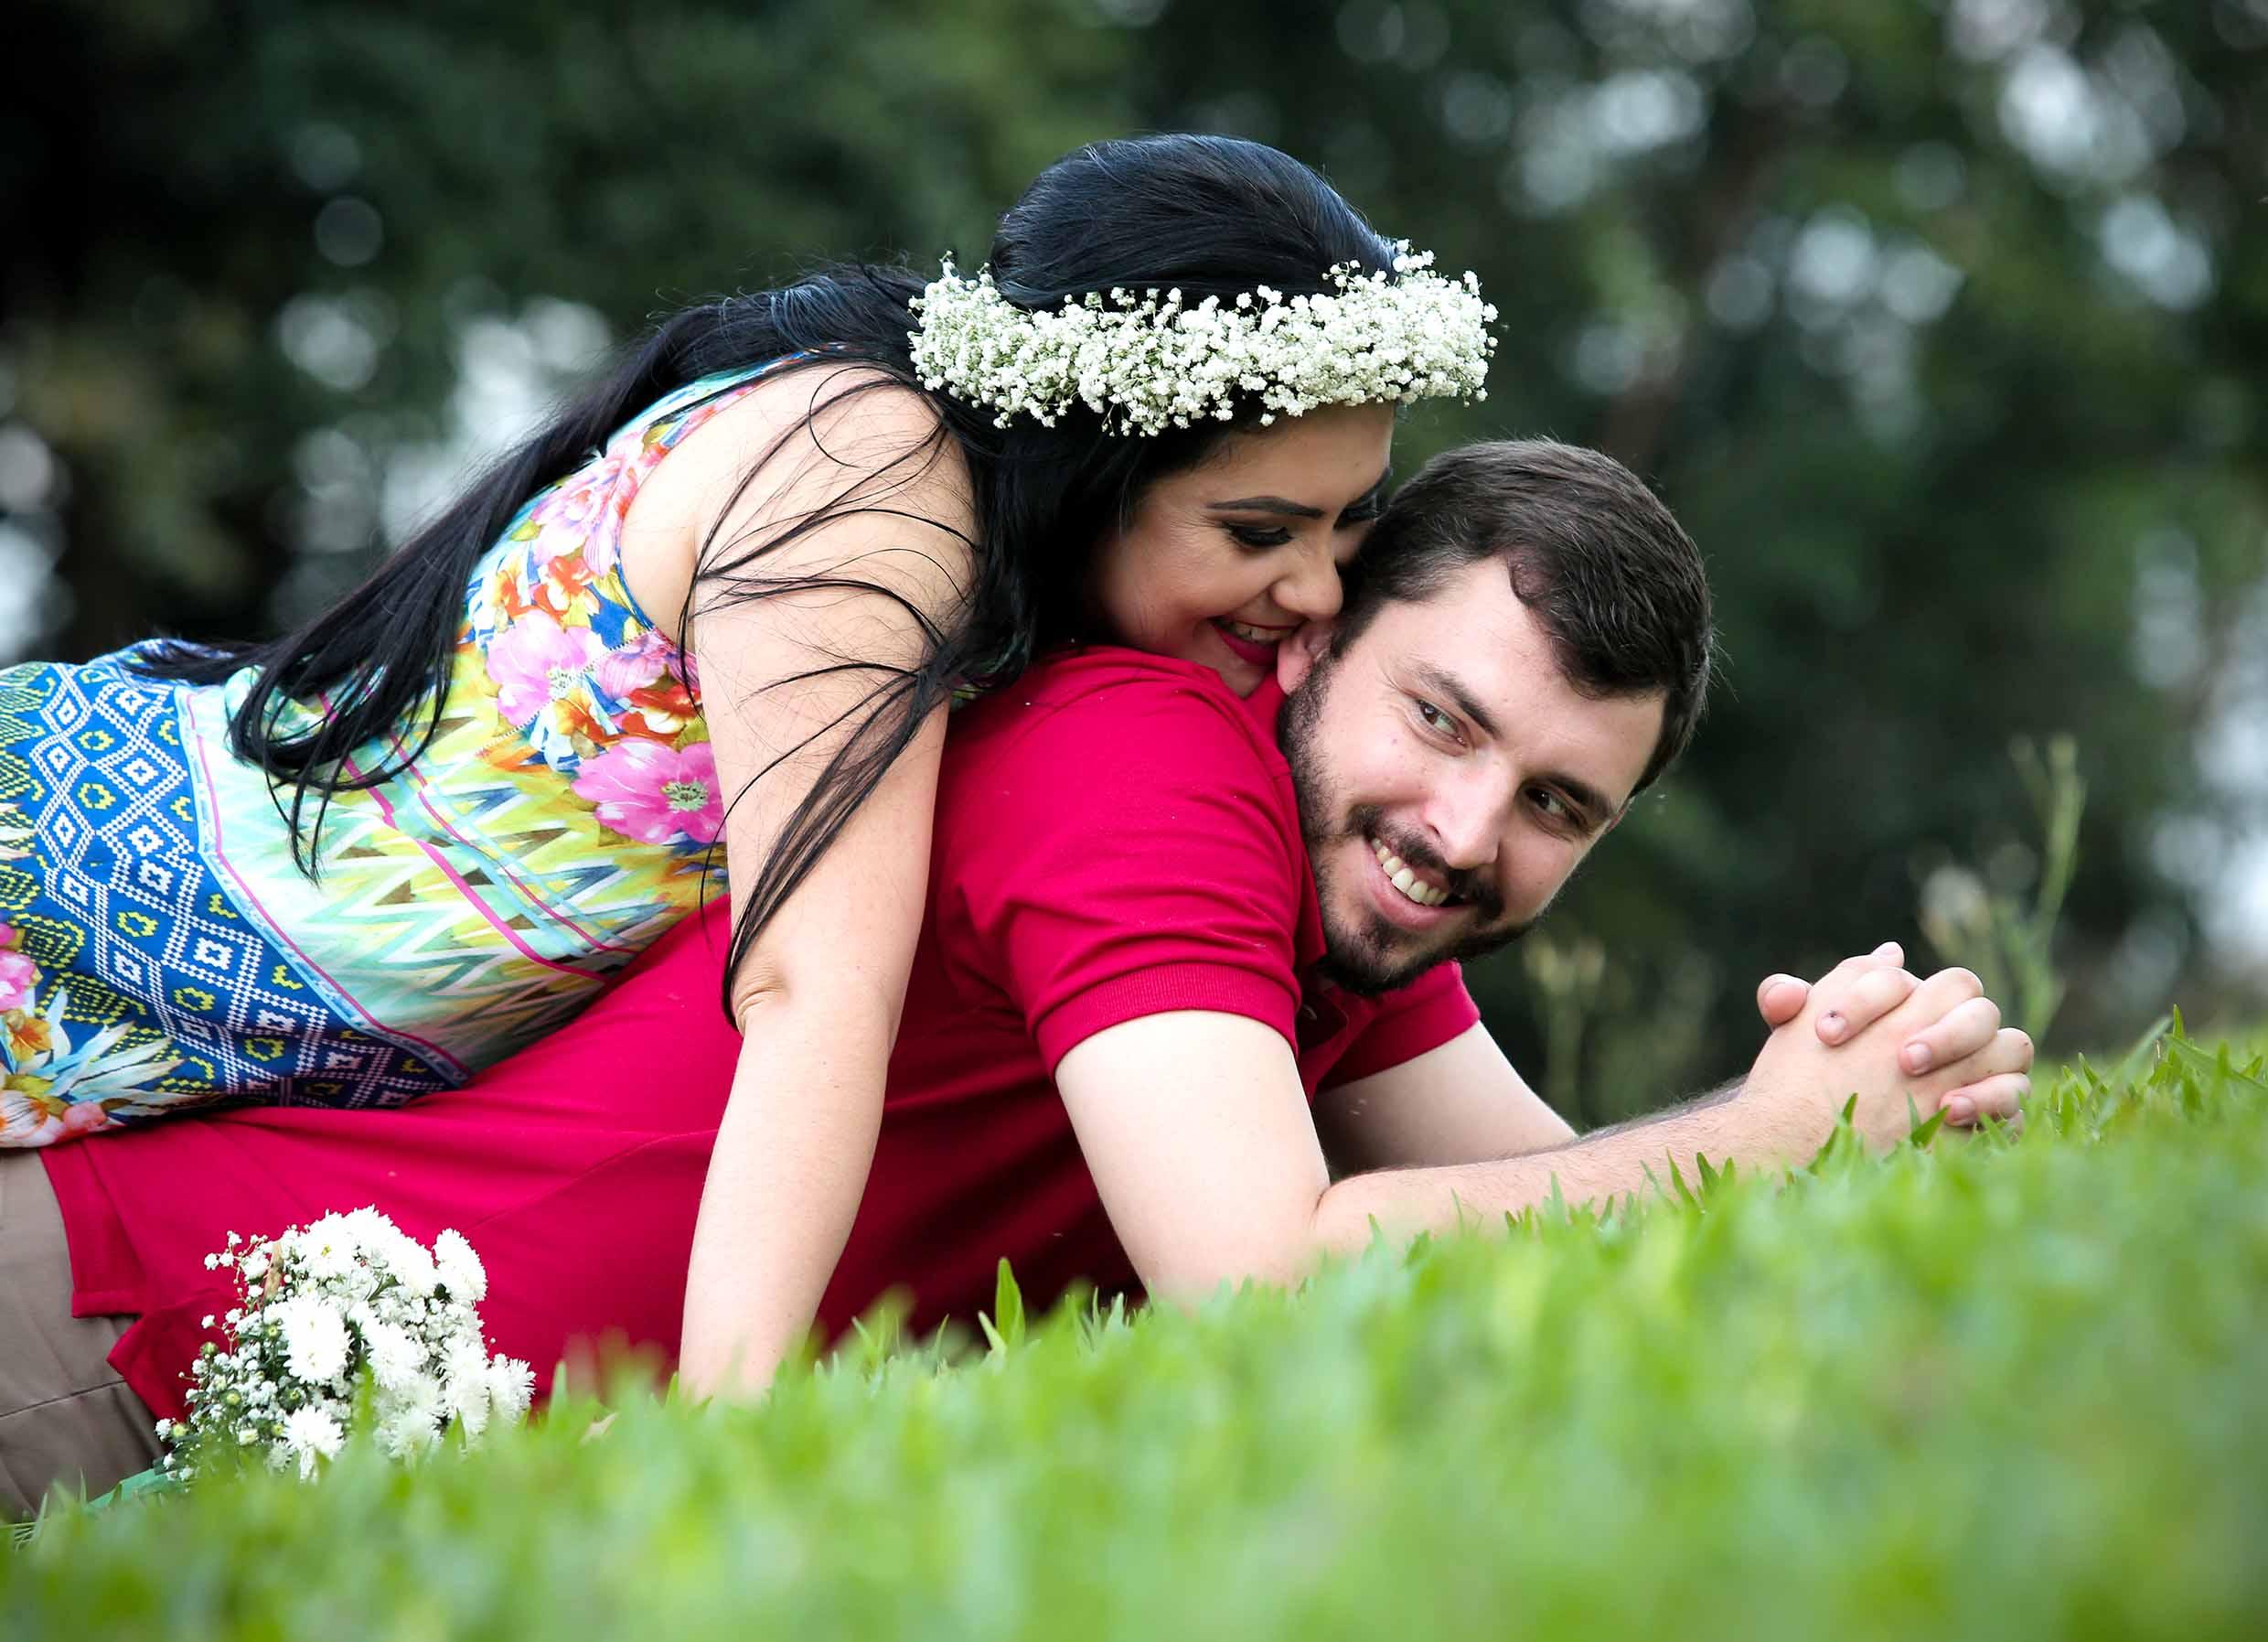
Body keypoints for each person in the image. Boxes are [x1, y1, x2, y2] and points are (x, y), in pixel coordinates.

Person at [1, 437, 2026, 1515]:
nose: (1465, 827)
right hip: (124, 1327)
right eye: (1443, 717)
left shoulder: (1343, 903)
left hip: (392, 1444)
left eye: (1558, 806)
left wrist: (1856, 1109)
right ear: (1311, 638)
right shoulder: (1157, 768)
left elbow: (1542, 1201)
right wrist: (1766, 1143)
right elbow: (1266, 1262)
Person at [0, 134, 1499, 1433]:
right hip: (94, 909)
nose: (1318, 592)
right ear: (1089, 462)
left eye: (1347, 528)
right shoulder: (875, 484)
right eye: (1256, 533)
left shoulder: (979, 557)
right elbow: (810, 991)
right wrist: (731, 1436)